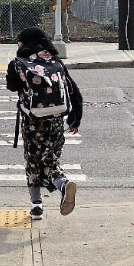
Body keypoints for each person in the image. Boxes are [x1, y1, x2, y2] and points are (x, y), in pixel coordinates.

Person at [6, 27, 83, 219]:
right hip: (56, 120)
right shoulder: (55, 62)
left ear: (24, 43)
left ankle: (37, 206)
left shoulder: (18, 63)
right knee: (50, 159)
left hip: (32, 122)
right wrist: (75, 119)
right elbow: (74, 92)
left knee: (33, 161)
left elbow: (11, 86)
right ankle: (62, 184)